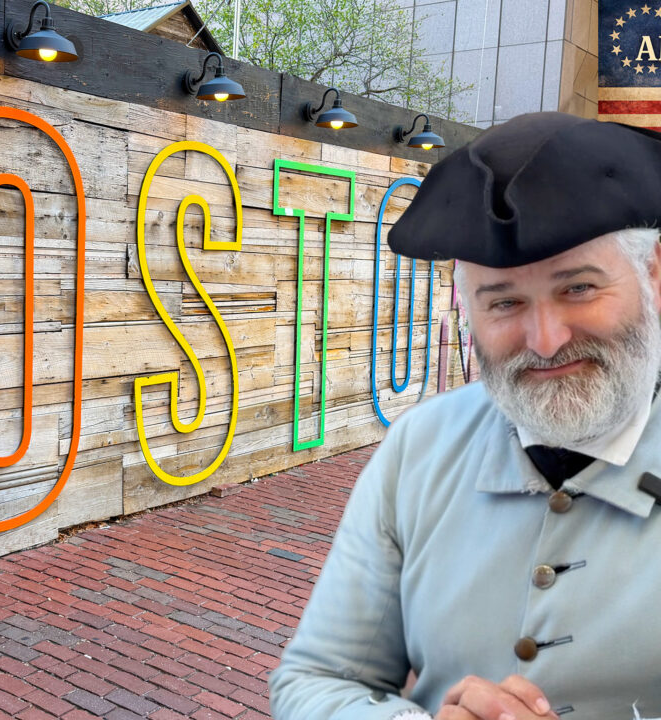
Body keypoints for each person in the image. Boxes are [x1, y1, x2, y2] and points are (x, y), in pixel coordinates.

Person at [267, 112, 661, 720]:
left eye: (578, 288)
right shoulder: (420, 446)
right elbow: (314, 681)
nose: (546, 340)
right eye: (504, 302)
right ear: (465, 306)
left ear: (653, 274)